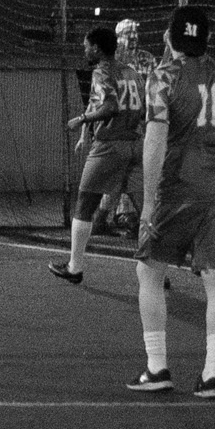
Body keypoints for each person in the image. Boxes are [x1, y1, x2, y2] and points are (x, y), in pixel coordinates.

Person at [127, 4, 215, 399]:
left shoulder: (163, 77)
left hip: (176, 189)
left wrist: (146, 202)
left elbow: (155, 140)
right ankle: (212, 375)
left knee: (150, 273)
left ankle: (157, 366)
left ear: (171, 37)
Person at [51, 24, 144, 284]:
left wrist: (81, 120)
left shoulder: (102, 71)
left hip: (109, 145)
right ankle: (157, 271)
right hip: (136, 144)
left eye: (85, 46)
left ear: (96, 47)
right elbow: (143, 109)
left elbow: (110, 107)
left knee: (84, 204)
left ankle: (74, 267)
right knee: (145, 210)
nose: (84, 50)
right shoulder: (133, 72)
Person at [105, 17, 154, 232]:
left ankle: (128, 216)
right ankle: (119, 215)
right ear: (119, 38)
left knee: (138, 169)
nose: (133, 39)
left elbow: (154, 89)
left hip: (143, 122)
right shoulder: (112, 61)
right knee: (119, 171)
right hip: (119, 123)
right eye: (128, 35)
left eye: (135, 35)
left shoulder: (147, 59)